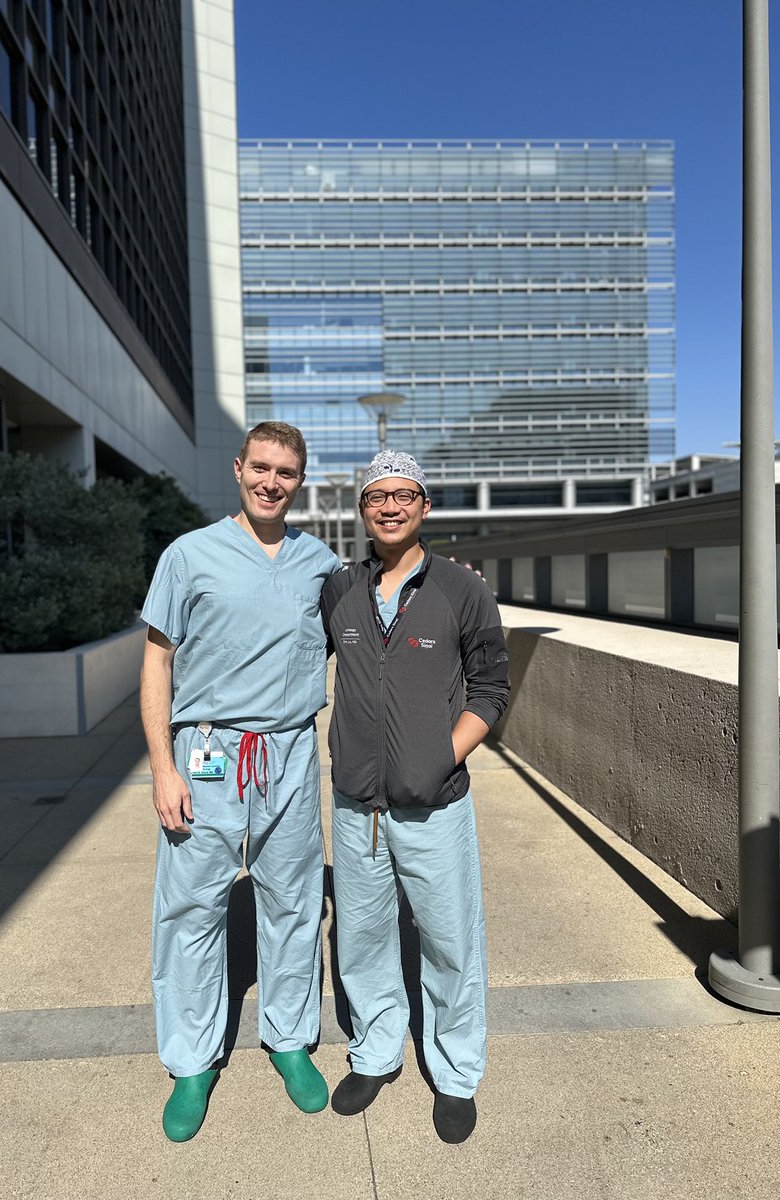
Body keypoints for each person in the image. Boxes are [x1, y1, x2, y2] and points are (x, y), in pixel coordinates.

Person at [139, 422, 340, 1142]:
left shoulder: (320, 563)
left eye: (286, 472)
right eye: (261, 467)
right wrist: (163, 768)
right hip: (207, 752)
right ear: (238, 468)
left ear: (300, 481)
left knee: (292, 903)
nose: (271, 481)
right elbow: (157, 662)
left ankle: (288, 1038)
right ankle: (193, 1059)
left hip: (288, 751)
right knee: (192, 908)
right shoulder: (189, 556)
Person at [320, 451, 510, 1144]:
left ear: (425, 507)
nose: (391, 507)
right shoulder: (339, 589)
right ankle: (375, 1053)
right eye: (378, 497)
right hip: (355, 806)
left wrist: (440, 756)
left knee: (450, 941)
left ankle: (456, 1072)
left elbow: (492, 689)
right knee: (364, 940)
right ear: (363, 510)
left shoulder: (463, 589)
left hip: (435, 804)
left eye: (405, 496)